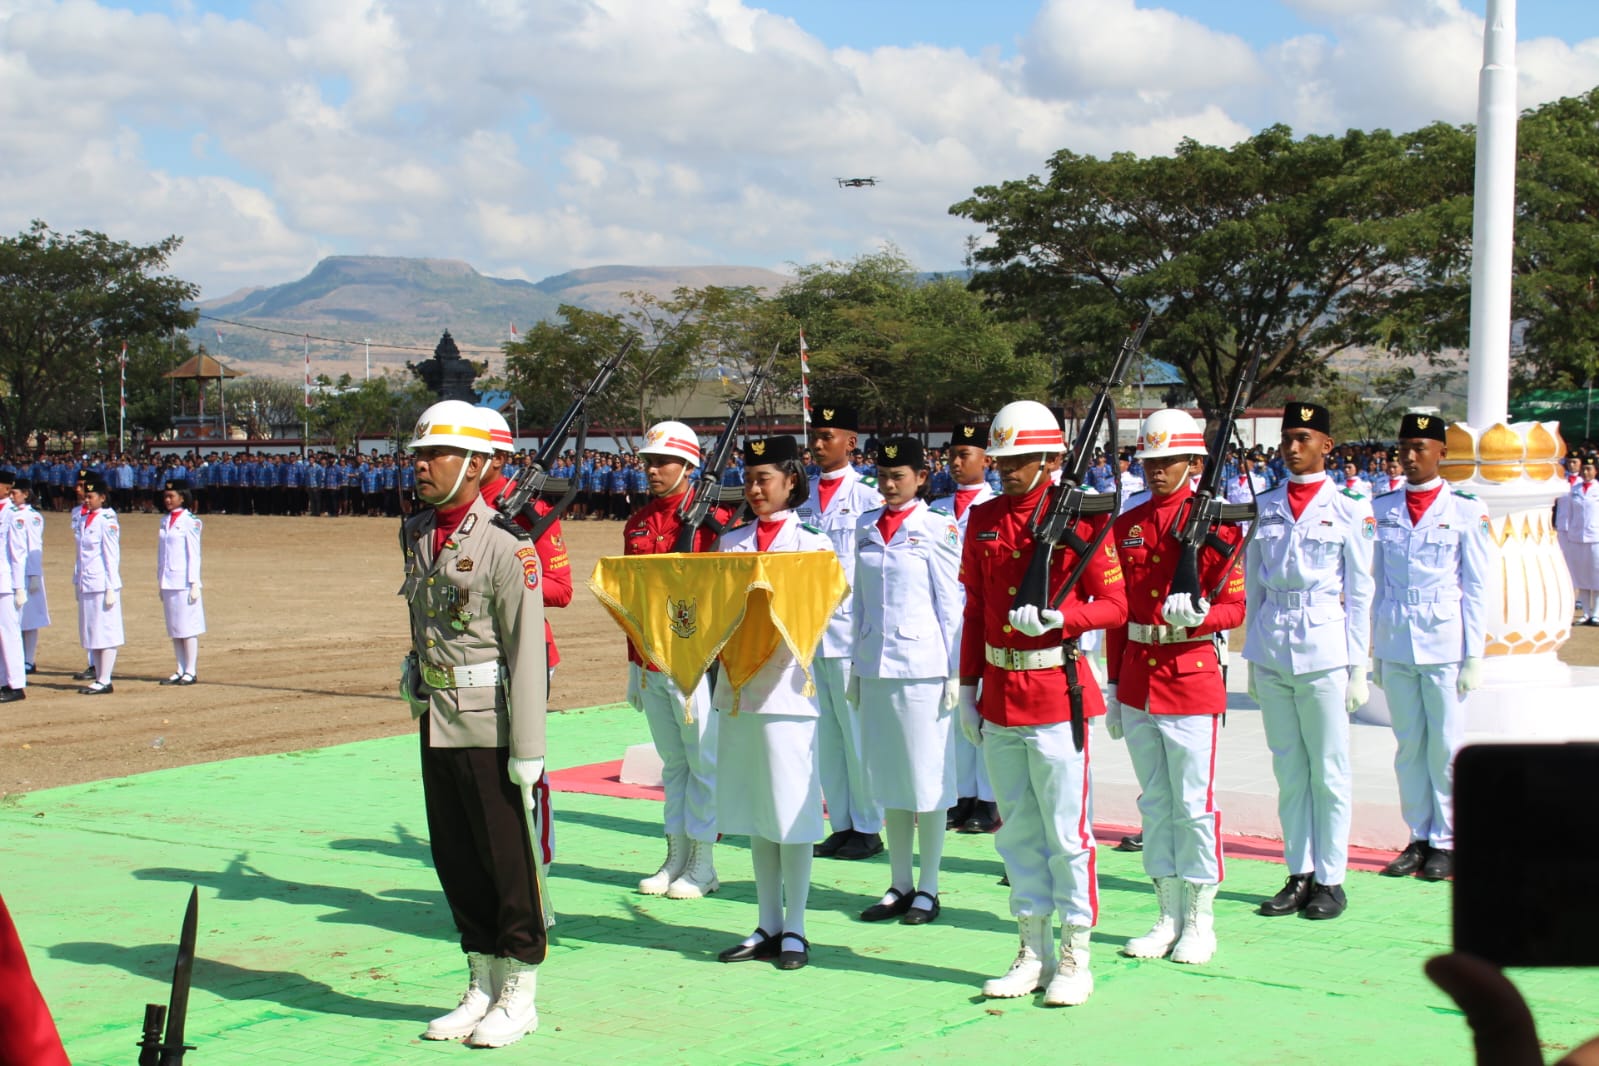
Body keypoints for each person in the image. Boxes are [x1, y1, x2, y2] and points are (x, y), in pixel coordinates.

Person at [959, 400, 1127, 1007]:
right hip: (1001, 694)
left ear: (1051, 459)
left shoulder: (1082, 518)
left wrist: (1065, 619)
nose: (1008, 469)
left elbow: (1116, 605)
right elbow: (976, 609)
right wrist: (967, 686)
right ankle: (1032, 950)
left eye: (1021, 459)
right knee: (1017, 834)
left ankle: (1076, 954)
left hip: (1057, 691)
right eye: (1002, 459)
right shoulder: (983, 519)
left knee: (1067, 834)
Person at [401, 399, 549, 1049]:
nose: (422, 465)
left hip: (491, 725)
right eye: (419, 454)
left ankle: (519, 989)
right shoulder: (416, 533)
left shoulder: (508, 544)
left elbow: (526, 651)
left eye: (436, 454)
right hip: (436, 717)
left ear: (475, 464)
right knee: (456, 857)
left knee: (507, 862)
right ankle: (482, 981)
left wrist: (529, 747)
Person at [1104, 410, 1247, 965]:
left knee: (1193, 804)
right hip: (1139, 676)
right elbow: (1118, 614)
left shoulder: (1216, 523)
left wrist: (1203, 616)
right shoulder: (1127, 525)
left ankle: (1200, 918)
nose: (1157, 470)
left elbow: (1235, 606)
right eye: (1150, 461)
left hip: (1189, 675)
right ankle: (1166, 914)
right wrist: (1113, 683)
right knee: (1155, 803)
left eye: (1167, 461)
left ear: (1193, 462)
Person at [1241, 401, 1374, 920]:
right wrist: (1251, 657)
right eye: (1287, 438)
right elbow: (1254, 586)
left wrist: (1358, 667)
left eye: (1303, 438)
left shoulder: (1350, 508)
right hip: (1273, 646)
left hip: (1324, 647)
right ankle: (1299, 871)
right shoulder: (1267, 505)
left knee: (1329, 770)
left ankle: (1331, 879)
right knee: (1289, 770)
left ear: (1326, 445)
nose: (1292, 448)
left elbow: (1360, 592)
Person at [713, 435, 832, 971]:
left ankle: (797, 927)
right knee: (758, 812)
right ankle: (766, 923)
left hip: (788, 691)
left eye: (764, 479)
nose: (755, 488)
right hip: (739, 693)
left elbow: (825, 615)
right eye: (749, 479)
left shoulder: (812, 545)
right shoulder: (730, 542)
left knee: (792, 813)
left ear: (791, 480)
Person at [1372, 414, 1489, 883]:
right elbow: (1377, 583)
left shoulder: (1466, 509)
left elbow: (1476, 586)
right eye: (1404, 447)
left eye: (1420, 447)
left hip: (1444, 643)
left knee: (1444, 746)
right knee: (1408, 746)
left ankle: (1447, 840)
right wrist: (1376, 651)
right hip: (1397, 640)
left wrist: (1474, 654)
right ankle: (1418, 836)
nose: (1410, 456)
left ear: (1442, 452)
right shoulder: (1383, 508)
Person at [850, 437, 962, 926]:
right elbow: (858, 603)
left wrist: (956, 671)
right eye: (883, 475)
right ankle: (899, 883)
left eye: (899, 476)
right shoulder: (865, 525)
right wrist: (855, 667)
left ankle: (929, 887)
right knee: (890, 778)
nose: (890, 484)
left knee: (927, 779)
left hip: (922, 669)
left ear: (921, 477)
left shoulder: (937, 527)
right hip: (876, 665)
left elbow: (951, 604)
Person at [622, 420, 722, 899]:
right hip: (650, 659)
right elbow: (630, 598)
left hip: (695, 659)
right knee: (673, 764)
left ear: (689, 466)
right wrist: (632, 662)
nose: (653, 470)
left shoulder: (713, 519)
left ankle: (704, 862)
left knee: (703, 762)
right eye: (649, 462)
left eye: (663, 462)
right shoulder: (638, 522)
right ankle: (675, 857)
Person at [802, 406, 886, 860]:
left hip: (851, 630)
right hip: (810, 631)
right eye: (815, 435)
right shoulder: (801, 494)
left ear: (851, 442)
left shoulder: (869, 494)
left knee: (856, 733)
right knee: (826, 736)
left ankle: (868, 827)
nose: (817, 444)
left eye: (827, 436)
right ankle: (842, 823)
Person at [931, 421, 999, 833]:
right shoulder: (936, 508)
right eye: (951, 456)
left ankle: (989, 800)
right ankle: (963, 794)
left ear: (986, 459)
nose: (955, 463)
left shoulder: (995, 505)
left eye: (964, 455)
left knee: (985, 706)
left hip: (981, 618)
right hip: (946, 620)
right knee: (956, 707)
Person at [74, 475, 123, 695]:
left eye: (91, 496)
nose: (87, 500)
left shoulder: (107, 520)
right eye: (86, 496)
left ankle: (105, 679)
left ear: (102, 498)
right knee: (92, 631)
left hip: (102, 584)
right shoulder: (84, 519)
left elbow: (111, 555)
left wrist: (111, 586)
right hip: (87, 582)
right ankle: (99, 676)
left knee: (106, 630)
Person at [156, 478, 205, 685]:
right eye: (166, 496)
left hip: (184, 580)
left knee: (188, 627)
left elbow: (194, 553)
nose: (168, 500)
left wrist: (194, 582)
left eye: (171, 496)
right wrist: (160, 580)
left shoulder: (191, 521)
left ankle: (191, 670)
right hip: (169, 580)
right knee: (175, 627)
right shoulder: (165, 520)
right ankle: (180, 667)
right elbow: (162, 554)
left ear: (182, 498)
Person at [10, 479, 48, 676]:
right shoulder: (10, 513)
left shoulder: (32, 517)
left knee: (30, 619)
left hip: (26, 572)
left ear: (26, 494)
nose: (11, 496)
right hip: (11, 572)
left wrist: (34, 574)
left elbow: (34, 546)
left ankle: (29, 660)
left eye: (15, 492)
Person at [1564, 457, 1599, 625]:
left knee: (1596, 575)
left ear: (1596, 471)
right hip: (1577, 537)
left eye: (1589, 469)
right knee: (1581, 576)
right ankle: (1585, 612)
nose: (1585, 472)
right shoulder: (1575, 490)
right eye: (1584, 469)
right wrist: (1571, 531)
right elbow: (1570, 513)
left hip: (1596, 536)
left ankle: (1596, 613)